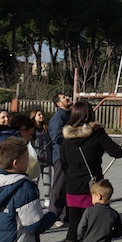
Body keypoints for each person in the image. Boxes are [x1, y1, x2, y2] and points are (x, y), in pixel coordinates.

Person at [60, 101, 122, 242]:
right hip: (93, 188)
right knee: (89, 226)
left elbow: (63, 158)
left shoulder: (66, 137)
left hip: (72, 185)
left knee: (74, 224)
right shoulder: (97, 134)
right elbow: (117, 153)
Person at [47, 93, 73, 225]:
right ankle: (53, 214)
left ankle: (65, 214)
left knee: (68, 186)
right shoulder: (58, 118)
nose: (68, 98)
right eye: (64, 97)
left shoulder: (70, 115)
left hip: (70, 156)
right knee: (59, 186)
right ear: (58, 103)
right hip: (61, 156)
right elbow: (57, 138)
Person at [29, 109, 53, 202]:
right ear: (34, 116)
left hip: (46, 158)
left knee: (47, 181)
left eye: (42, 114)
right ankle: (35, 198)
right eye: (39, 114)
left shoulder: (46, 129)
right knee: (34, 181)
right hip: (35, 160)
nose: (41, 116)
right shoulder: (31, 130)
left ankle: (47, 198)